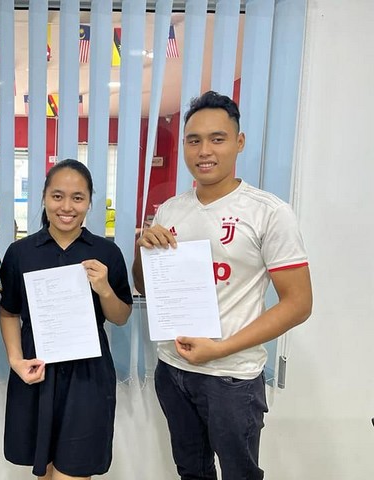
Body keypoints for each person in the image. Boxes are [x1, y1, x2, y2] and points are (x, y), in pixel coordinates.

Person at [132, 91, 312, 480]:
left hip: (232, 377)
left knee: (239, 475)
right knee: (191, 472)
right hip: (173, 369)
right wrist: (142, 251)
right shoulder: (170, 209)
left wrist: (220, 349)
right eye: (194, 140)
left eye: (217, 139)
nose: (204, 151)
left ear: (239, 142)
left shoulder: (269, 212)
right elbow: (146, 288)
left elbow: (298, 303)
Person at [0, 159, 133, 480]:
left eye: (78, 198)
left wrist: (104, 289)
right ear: (44, 197)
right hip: (37, 368)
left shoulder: (107, 252)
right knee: (43, 471)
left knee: (74, 470)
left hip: (88, 374)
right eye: (58, 196)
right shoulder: (20, 252)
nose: (67, 207)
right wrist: (16, 361)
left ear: (89, 202)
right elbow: (9, 311)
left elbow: (121, 316)